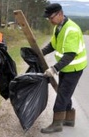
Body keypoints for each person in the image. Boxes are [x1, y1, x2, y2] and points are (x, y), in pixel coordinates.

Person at [41, 3, 87, 133]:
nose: (50, 20)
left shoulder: (71, 29)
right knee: (64, 92)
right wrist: (40, 52)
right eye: (48, 18)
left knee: (62, 94)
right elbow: (53, 45)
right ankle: (69, 119)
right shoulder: (58, 27)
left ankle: (57, 124)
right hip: (66, 68)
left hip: (74, 68)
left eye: (51, 17)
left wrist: (54, 69)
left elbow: (70, 55)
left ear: (60, 14)